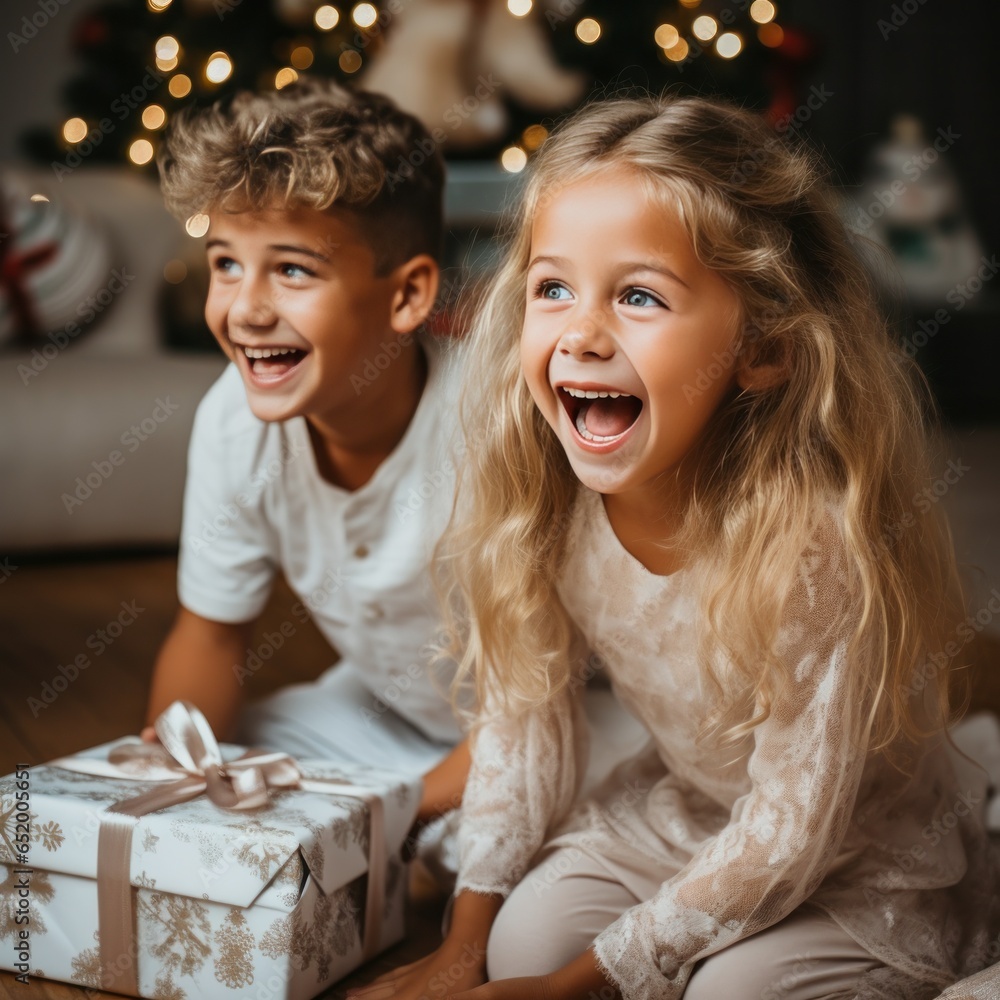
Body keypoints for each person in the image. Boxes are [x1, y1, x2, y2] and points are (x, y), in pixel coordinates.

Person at [350, 95, 999, 999]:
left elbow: (788, 830)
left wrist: (587, 982)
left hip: (849, 852)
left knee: (727, 994)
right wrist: (468, 940)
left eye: (640, 295)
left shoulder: (809, 547)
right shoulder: (549, 503)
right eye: (553, 288)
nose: (580, 332)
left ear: (763, 348)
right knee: (521, 946)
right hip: (688, 814)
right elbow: (522, 726)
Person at [145, 78, 470, 830]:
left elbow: (536, 714)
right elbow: (211, 632)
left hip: (551, 730)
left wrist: (374, 824)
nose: (247, 310)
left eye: (292, 269)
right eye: (226, 264)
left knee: (498, 872)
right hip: (381, 710)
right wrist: (174, 781)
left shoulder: (490, 433)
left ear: (406, 296)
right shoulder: (233, 419)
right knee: (236, 763)